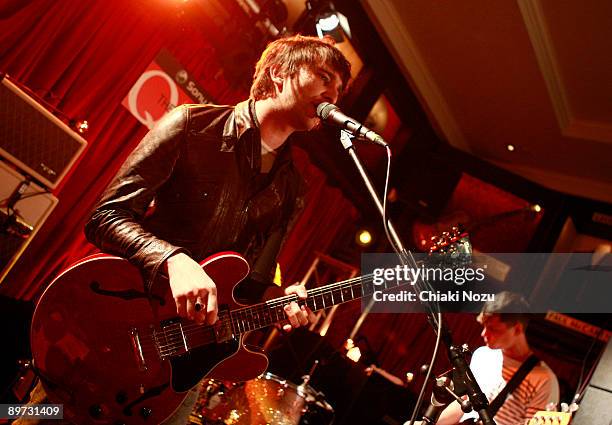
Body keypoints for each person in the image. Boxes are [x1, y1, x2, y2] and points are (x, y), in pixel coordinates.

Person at [16, 34, 351, 425]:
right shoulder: (192, 124)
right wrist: (174, 260)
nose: (333, 95)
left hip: (178, 377)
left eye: (340, 90)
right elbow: (105, 216)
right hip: (113, 329)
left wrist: (284, 299)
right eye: (324, 77)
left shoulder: (293, 187)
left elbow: (251, 285)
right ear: (278, 73)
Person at [433, 291, 560, 425]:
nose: (484, 334)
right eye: (484, 326)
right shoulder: (482, 355)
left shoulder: (544, 379)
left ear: (517, 329)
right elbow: (463, 405)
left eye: (493, 329)